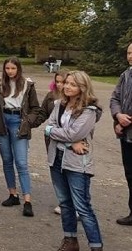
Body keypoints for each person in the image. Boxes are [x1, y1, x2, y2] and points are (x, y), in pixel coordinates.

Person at [45, 71, 103, 251]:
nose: (67, 87)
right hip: (56, 158)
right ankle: (70, 240)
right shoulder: (59, 104)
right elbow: (48, 126)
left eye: (73, 84)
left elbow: (73, 133)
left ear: (83, 88)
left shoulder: (89, 110)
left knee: (82, 207)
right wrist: (70, 141)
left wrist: (56, 133)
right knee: (64, 203)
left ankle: (96, 245)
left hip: (77, 163)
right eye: (66, 83)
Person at [0, 56, 44, 217]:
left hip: (19, 122)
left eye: (13, 68)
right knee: (7, 160)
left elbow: (35, 108)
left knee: (21, 162)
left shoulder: (27, 85)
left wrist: (27, 122)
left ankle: (27, 199)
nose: (10, 71)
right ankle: (12, 194)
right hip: (2, 122)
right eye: (7, 68)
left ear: (18, 69)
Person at [110, 42, 132, 226]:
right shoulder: (125, 75)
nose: (130, 56)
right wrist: (118, 117)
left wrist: (127, 119)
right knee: (130, 174)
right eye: (129, 53)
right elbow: (115, 98)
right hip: (126, 135)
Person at [42, 69, 68, 215]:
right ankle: (63, 201)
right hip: (52, 140)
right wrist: (27, 123)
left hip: (69, 141)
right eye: (57, 82)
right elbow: (42, 114)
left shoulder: (76, 99)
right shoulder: (51, 97)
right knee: (56, 170)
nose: (60, 85)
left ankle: (74, 204)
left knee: (69, 171)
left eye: (63, 82)